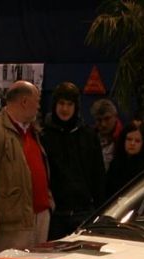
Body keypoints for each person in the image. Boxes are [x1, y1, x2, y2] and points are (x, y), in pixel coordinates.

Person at [0, 80, 51, 251]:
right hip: (11, 223)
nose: (39, 106)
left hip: (40, 216)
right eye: (37, 101)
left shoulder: (33, 130)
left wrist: (49, 202)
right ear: (24, 101)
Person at [42, 81, 105, 240]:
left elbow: (98, 174)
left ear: (76, 107)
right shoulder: (43, 135)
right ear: (54, 105)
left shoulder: (88, 135)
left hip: (84, 212)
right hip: (55, 215)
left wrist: (99, 209)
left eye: (69, 104)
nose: (65, 109)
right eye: (61, 103)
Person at [106, 122, 144, 195]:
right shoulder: (115, 163)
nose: (132, 143)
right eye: (129, 139)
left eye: (137, 141)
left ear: (143, 144)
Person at [91, 98, 123, 170]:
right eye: (99, 120)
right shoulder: (89, 137)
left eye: (107, 118)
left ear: (115, 116)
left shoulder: (125, 138)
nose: (103, 124)